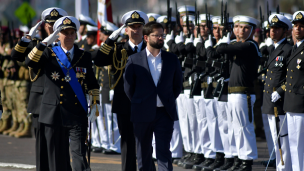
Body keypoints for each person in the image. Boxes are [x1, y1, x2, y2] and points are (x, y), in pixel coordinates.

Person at [25, 16, 99, 171]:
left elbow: (92, 83)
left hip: (76, 112)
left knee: (79, 154)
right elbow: (29, 62)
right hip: (54, 113)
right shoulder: (48, 53)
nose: (70, 36)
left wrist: (94, 104)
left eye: (72, 32)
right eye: (65, 32)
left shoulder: (83, 56)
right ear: (58, 34)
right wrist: (44, 43)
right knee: (56, 157)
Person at [10, 7, 69, 170]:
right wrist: (27, 39)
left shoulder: (67, 45)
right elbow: (15, 56)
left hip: (62, 100)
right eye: (49, 24)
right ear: (44, 26)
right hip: (41, 100)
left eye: (55, 24)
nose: (52, 27)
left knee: (63, 144)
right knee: (42, 144)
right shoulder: (36, 45)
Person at [92, 10, 149, 171]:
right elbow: (98, 60)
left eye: (139, 26)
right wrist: (110, 40)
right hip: (125, 103)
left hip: (146, 103)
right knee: (127, 143)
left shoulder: (151, 49)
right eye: (132, 27)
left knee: (146, 144)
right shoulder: (117, 49)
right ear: (126, 29)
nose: (136, 30)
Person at [123, 21, 182, 171]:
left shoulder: (171, 59)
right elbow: (129, 88)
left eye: (162, 35)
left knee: (163, 152)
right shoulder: (134, 59)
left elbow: (177, 86)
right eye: (157, 35)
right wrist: (141, 102)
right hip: (142, 112)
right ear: (146, 37)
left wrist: (166, 100)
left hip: (164, 112)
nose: (161, 38)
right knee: (143, 153)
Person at [212, 16, 261, 171]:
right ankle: (239, 158)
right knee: (235, 128)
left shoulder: (250, 45)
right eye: (238, 27)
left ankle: (247, 160)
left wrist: (223, 41)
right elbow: (215, 54)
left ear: (252, 31)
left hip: (243, 93)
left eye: (246, 28)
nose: (241, 30)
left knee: (244, 127)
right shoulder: (236, 45)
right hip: (233, 93)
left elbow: (221, 49)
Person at [262, 13, 293, 170]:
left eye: (277, 29)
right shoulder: (273, 49)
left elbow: (293, 77)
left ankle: (284, 168)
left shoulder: (288, 50)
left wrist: (281, 91)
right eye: (271, 29)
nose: (273, 32)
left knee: (282, 140)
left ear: (285, 31)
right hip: (269, 102)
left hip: (279, 103)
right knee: (276, 139)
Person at [278, 10, 304, 171]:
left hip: (301, 103)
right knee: (294, 143)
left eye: (302, 26)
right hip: (291, 102)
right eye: (295, 26)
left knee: (300, 144)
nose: (298, 29)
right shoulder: (295, 48)